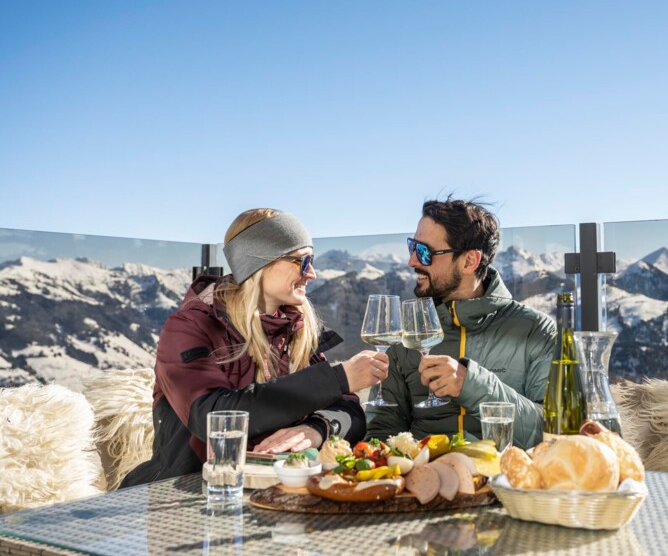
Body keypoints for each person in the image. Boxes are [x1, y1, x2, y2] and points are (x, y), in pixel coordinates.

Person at [122, 208, 388, 486]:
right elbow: (212, 417)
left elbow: (350, 411)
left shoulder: (295, 326)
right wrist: (338, 379)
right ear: (259, 262)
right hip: (189, 490)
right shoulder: (189, 327)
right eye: (302, 260)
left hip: (276, 488)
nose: (313, 274)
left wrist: (318, 428)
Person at [366, 198, 556, 449]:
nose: (412, 261)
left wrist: (472, 385)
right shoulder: (407, 336)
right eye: (412, 247)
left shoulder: (536, 331)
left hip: (504, 481)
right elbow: (381, 432)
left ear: (469, 261)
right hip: (425, 481)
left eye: (424, 252)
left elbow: (555, 432)